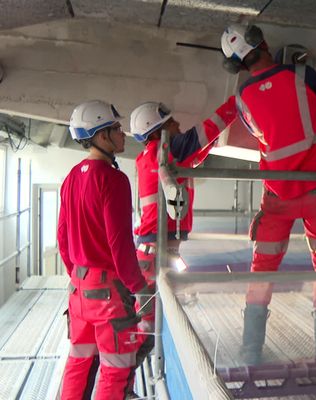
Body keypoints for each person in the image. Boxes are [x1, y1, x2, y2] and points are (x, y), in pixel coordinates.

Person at [220, 24, 316, 364]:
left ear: (237, 65)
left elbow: (263, 134)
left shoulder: (242, 98)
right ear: (262, 42)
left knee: (262, 268)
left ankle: (251, 350)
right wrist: (314, 90)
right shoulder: (303, 76)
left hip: (277, 196)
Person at [58, 100, 151, 399]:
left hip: (78, 292)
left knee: (79, 363)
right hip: (108, 295)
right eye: (116, 128)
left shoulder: (71, 177)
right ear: (101, 136)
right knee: (116, 369)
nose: (123, 134)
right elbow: (119, 242)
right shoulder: (114, 179)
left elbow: (62, 237)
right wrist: (139, 287)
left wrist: (78, 275)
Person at [129, 99, 237, 340]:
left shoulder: (155, 157)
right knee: (152, 328)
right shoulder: (167, 150)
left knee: (152, 324)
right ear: (158, 131)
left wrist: (214, 141)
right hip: (157, 255)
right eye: (171, 123)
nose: (178, 125)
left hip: (152, 253)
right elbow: (206, 130)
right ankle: (135, 368)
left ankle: (142, 366)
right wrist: (237, 102)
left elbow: (195, 156)